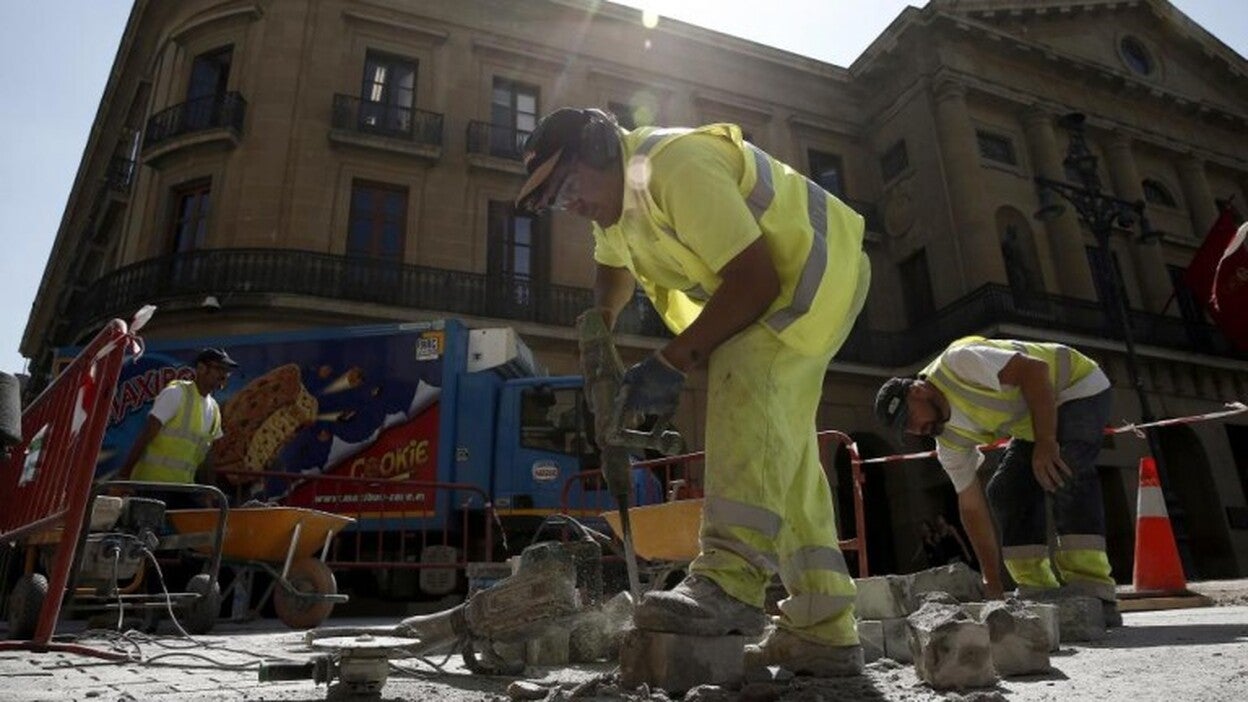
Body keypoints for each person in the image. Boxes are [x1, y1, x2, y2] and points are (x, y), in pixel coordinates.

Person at [515, 107, 872, 675]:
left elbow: (756, 281)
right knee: (786, 456)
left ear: (601, 149)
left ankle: (729, 582)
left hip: (810, 273)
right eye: (558, 200)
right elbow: (612, 269)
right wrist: (600, 327)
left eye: (569, 187)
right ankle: (825, 629)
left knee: (742, 373)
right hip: (785, 285)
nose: (571, 205)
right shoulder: (614, 206)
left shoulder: (674, 166)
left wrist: (670, 361)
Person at [873, 336, 1118, 622]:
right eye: (907, 430)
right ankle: (1037, 589)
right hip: (1032, 420)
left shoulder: (958, 363)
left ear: (918, 391)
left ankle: (1092, 590)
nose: (915, 430)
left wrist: (1046, 441)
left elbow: (1035, 370)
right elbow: (972, 508)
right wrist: (991, 579)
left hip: (1076, 387)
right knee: (1005, 490)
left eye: (909, 419)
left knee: (1064, 467)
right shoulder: (948, 443)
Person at [118, 347, 237, 501]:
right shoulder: (176, 393)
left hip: (183, 487)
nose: (224, 375)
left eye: (227, 371)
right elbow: (147, 434)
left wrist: (210, 490)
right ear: (201, 368)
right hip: (153, 486)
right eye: (219, 369)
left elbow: (208, 456)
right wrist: (124, 475)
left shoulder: (214, 409)